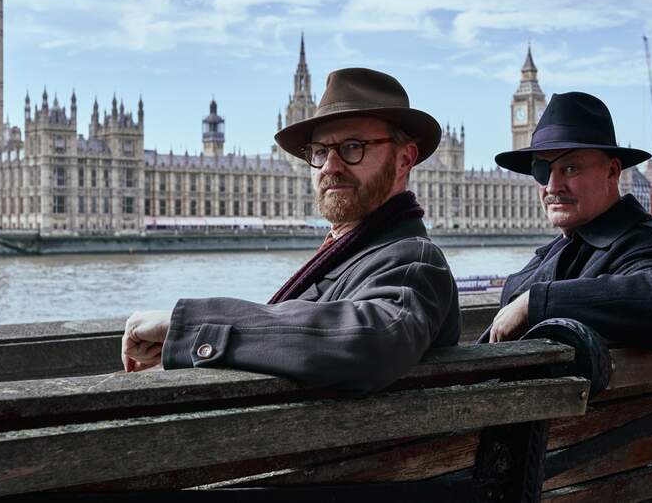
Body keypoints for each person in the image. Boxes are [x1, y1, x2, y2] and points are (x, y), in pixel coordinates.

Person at [121, 68, 462, 393]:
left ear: (405, 159)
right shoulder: (350, 255)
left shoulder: (414, 261)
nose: (330, 166)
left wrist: (192, 325)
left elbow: (368, 343)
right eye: (319, 151)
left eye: (353, 147)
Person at [485, 92, 652, 357]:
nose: (552, 186)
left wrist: (537, 301)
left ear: (612, 171)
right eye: (542, 171)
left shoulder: (641, 243)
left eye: (570, 168)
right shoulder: (564, 246)